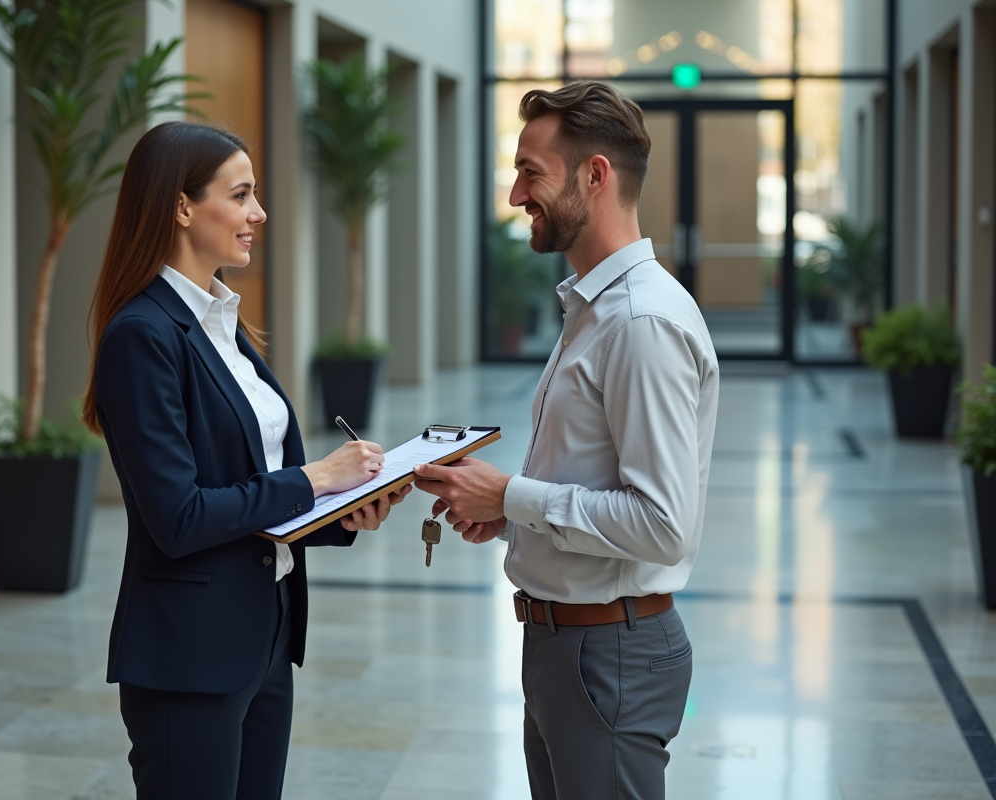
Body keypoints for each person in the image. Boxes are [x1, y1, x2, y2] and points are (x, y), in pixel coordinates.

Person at [80, 121, 411, 800]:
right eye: (242, 194)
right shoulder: (142, 336)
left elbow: (251, 490)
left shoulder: (222, 324)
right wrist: (316, 477)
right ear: (181, 206)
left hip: (263, 639)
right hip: (188, 658)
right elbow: (179, 516)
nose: (258, 212)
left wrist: (344, 512)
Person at [413, 81, 720, 800]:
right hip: (564, 647)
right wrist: (505, 513)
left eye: (530, 171)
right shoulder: (594, 309)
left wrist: (513, 494)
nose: (517, 194)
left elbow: (664, 526)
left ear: (594, 176)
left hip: (606, 653)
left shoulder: (641, 322)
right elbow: (596, 480)